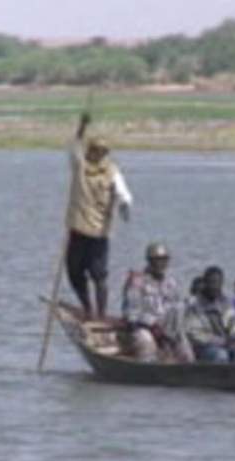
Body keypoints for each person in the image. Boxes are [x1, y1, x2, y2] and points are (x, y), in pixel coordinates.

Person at [64, 111, 132, 320]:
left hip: (99, 232)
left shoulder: (112, 172)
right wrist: (82, 127)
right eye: (94, 150)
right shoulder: (81, 166)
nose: (98, 154)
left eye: (102, 151)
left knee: (99, 275)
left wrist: (124, 207)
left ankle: (100, 315)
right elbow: (74, 146)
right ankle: (87, 307)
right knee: (74, 271)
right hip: (78, 228)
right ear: (90, 150)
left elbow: (123, 194)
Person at [121, 242, 193, 363]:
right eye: (157, 260)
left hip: (167, 329)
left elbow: (177, 308)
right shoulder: (137, 282)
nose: (161, 263)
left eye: (164, 259)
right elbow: (131, 314)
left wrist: (172, 330)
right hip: (143, 328)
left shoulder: (171, 283)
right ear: (149, 261)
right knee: (146, 342)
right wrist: (152, 325)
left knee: (186, 351)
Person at [185, 266, 235, 362]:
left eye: (218, 283)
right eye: (212, 282)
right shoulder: (194, 304)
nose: (215, 286)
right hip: (202, 348)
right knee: (221, 355)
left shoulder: (225, 302)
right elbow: (195, 335)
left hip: (225, 344)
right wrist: (221, 341)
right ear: (205, 283)